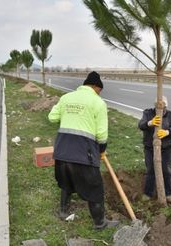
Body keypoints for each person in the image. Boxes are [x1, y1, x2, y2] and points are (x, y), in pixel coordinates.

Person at [48, 71, 119, 230]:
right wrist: (101, 150)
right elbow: (102, 134)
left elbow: (52, 117)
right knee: (94, 188)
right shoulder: (98, 102)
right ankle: (100, 223)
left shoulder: (66, 98)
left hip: (62, 150)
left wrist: (69, 113)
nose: (99, 93)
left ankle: (63, 212)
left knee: (66, 181)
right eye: (100, 90)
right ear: (95, 87)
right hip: (83, 153)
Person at [138, 96, 171, 203]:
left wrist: (167, 132)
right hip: (150, 147)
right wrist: (149, 123)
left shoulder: (170, 116)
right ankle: (148, 193)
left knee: (166, 170)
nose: (160, 110)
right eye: (158, 107)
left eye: (163, 107)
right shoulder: (148, 114)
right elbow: (141, 125)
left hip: (166, 148)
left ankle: (168, 193)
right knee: (150, 169)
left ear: (166, 106)